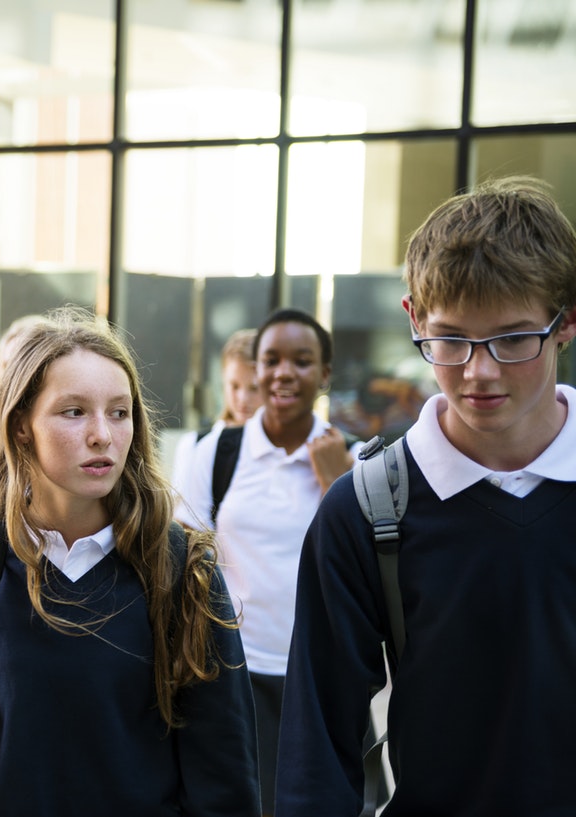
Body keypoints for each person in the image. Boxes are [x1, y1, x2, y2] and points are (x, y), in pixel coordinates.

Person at [277, 176, 576, 816]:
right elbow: (317, 746)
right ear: (413, 318)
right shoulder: (365, 509)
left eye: (513, 338)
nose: (479, 371)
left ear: (567, 321)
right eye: (452, 339)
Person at [0, 307, 260, 817]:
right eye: (74, 412)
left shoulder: (183, 570)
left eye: (119, 412)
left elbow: (224, 778)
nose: (102, 435)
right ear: (21, 427)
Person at [174, 308, 358, 817]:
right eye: (271, 360)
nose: (283, 373)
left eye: (302, 361)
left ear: (325, 373)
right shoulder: (216, 452)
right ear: (256, 369)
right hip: (233, 672)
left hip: (320, 678)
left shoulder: (356, 459)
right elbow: (185, 557)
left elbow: (361, 570)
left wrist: (334, 481)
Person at [171, 327, 261, 492]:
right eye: (234, 386)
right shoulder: (194, 446)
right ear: (223, 383)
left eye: (254, 388)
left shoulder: (283, 450)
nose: (243, 398)